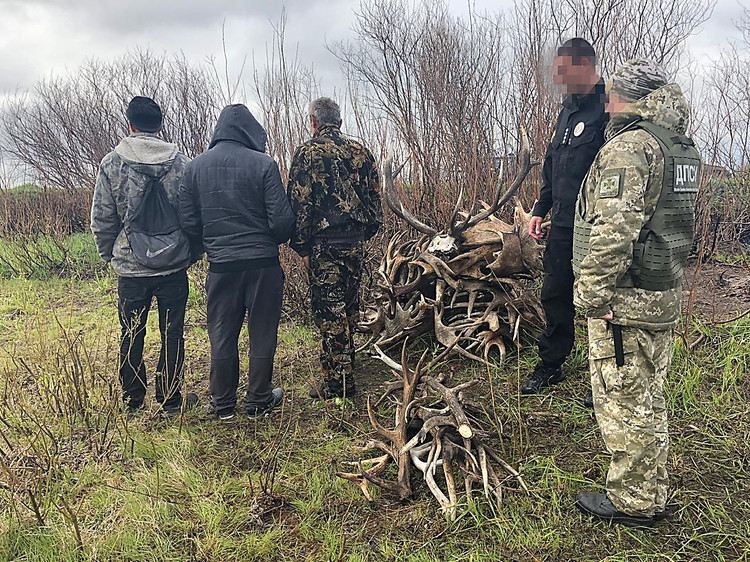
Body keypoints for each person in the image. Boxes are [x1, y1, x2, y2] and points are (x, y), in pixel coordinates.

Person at [572, 59, 700, 527]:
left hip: (624, 301)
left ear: (624, 96)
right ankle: (652, 485)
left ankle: (636, 500)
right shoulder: (679, 147)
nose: (604, 102)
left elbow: (614, 232)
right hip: (662, 292)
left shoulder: (632, 147)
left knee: (625, 402)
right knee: (649, 397)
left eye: (610, 93)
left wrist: (590, 296)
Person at [179, 104, 294, 421]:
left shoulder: (194, 168)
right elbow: (283, 222)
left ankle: (222, 404)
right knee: (262, 331)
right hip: (263, 266)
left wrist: (213, 243)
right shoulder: (263, 164)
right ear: (250, 131)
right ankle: (258, 399)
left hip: (221, 267)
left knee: (221, 333)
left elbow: (188, 222)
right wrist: (265, 239)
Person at [91, 96, 197, 416]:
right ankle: (170, 400)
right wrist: (191, 253)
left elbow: (103, 217)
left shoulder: (112, 162)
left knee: (132, 332)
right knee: (172, 331)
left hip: (131, 268)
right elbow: (194, 216)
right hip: (173, 264)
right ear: (160, 125)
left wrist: (109, 253)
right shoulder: (183, 163)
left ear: (130, 124)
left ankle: (133, 401)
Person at [522, 38, 608, 400]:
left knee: (601, 300)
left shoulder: (611, 107)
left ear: (586, 65)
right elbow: (553, 163)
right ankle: (551, 364)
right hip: (563, 224)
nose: (560, 78)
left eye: (565, 71)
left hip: (598, 225)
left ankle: (603, 378)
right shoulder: (567, 109)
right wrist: (541, 209)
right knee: (555, 292)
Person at [287, 97, 382, 400]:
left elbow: (299, 204)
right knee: (349, 309)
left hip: (324, 247)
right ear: (339, 123)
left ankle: (340, 385)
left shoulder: (307, 153)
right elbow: (375, 201)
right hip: (355, 243)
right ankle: (340, 370)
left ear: (312, 122)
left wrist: (301, 246)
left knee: (331, 314)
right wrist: (364, 234)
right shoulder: (362, 153)